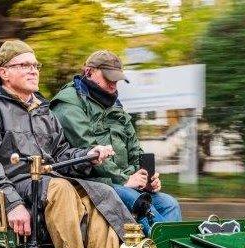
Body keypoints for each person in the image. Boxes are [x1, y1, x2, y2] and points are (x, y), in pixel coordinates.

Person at [0, 40, 134, 248]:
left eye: (35, 65)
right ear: (3, 73)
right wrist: (12, 202)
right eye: (24, 65)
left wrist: (87, 156)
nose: (33, 71)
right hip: (17, 184)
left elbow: (61, 154)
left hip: (47, 181)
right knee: (61, 188)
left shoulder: (43, 110)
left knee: (100, 192)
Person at [51, 50, 181, 234]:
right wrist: (125, 179)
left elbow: (135, 148)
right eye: (108, 79)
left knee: (170, 204)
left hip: (123, 182)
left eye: (116, 80)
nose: (113, 85)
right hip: (91, 181)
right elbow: (88, 149)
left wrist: (147, 178)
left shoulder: (115, 105)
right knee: (139, 203)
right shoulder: (69, 103)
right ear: (88, 72)